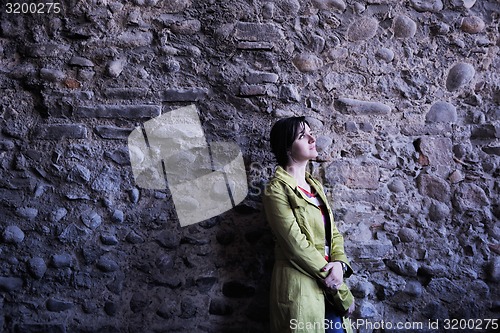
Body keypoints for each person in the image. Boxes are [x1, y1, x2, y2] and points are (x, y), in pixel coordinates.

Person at [262, 116, 355, 333]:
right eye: (303, 136)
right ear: (287, 148)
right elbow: (296, 247)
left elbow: (334, 235)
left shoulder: (316, 186)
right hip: (300, 286)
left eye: (311, 132)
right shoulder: (275, 190)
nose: (313, 139)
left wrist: (340, 265)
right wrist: (339, 289)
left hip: (330, 282)